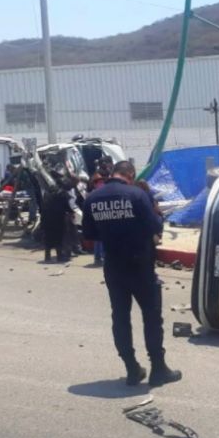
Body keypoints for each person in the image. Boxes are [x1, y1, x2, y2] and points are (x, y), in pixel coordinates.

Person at [82, 161, 181, 387]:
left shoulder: (93, 198)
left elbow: (89, 233)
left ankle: (131, 369)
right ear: (131, 174)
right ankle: (158, 369)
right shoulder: (136, 195)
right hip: (140, 264)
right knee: (152, 316)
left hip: (114, 266)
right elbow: (154, 227)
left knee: (120, 318)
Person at [41, 174, 73, 263]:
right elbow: (67, 207)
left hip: (46, 218)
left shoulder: (48, 191)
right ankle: (60, 256)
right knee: (59, 237)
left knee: (48, 237)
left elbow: (44, 204)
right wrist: (72, 213)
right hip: (58, 219)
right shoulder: (63, 194)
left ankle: (47, 256)